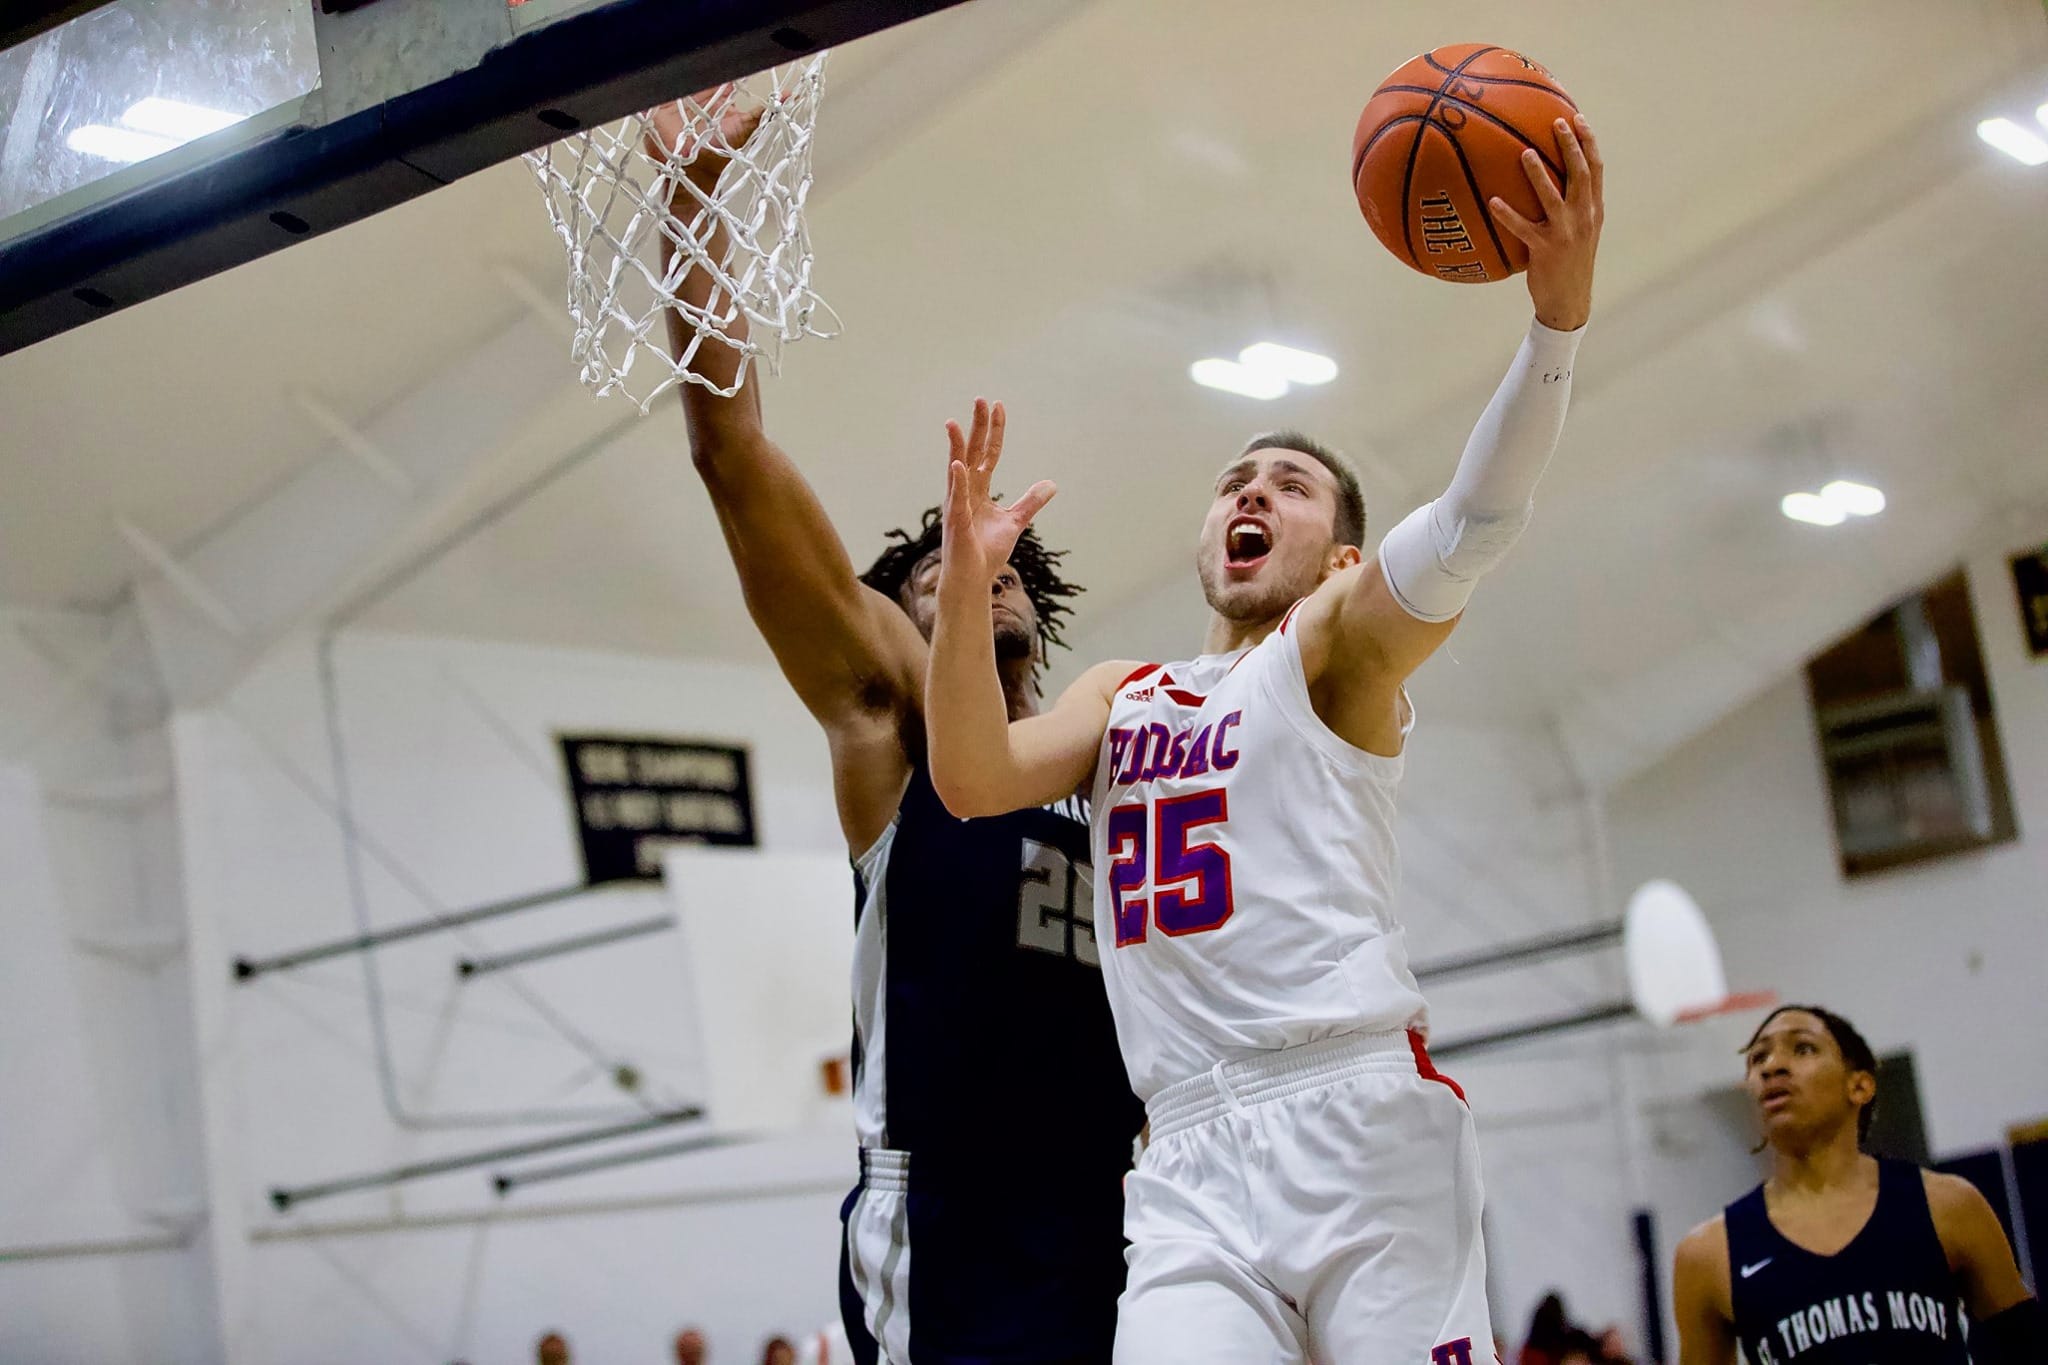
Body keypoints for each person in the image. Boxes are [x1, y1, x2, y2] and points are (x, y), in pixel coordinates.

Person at [921, 118, 1605, 1361]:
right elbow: (971, 778)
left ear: (1341, 556)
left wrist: (1552, 327)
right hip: (1185, 1154)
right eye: (1236, 478)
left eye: (1288, 483)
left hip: (1352, 1116)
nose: (1249, 492)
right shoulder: (1129, 692)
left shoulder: (1334, 646)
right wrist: (965, 591)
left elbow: (1472, 522)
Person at [647, 97, 1144, 1364]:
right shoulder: (896, 721)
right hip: (954, 1214)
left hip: (1125, 1205)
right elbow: (731, 453)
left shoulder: (1113, 754)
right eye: (936, 572)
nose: (977, 573)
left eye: (998, 563)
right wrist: (696, 195)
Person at [1671, 1004, 2040, 1363]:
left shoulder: (1948, 1206)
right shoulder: (1708, 1254)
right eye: (1758, 1058)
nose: (1772, 1067)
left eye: (1802, 1048)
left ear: (1859, 1086)